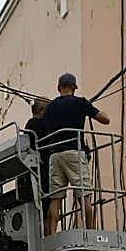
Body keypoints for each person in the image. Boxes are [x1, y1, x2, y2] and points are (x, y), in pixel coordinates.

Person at [42, 73, 110, 234]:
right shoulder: (80, 102)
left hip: (55, 155)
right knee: (84, 196)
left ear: (59, 88)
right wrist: (88, 109)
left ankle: (51, 234)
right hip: (74, 152)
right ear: (73, 88)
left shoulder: (49, 108)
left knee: (55, 199)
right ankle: (92, 233)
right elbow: (105, 119)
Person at [23, 98, 52, 233]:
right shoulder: (38, 124)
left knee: (45, 207)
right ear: (42, 110)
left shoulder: (30, 125)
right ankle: (49, 234)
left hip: (36, 171)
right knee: (48, 205)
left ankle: (48, 234)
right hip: (43, 170)